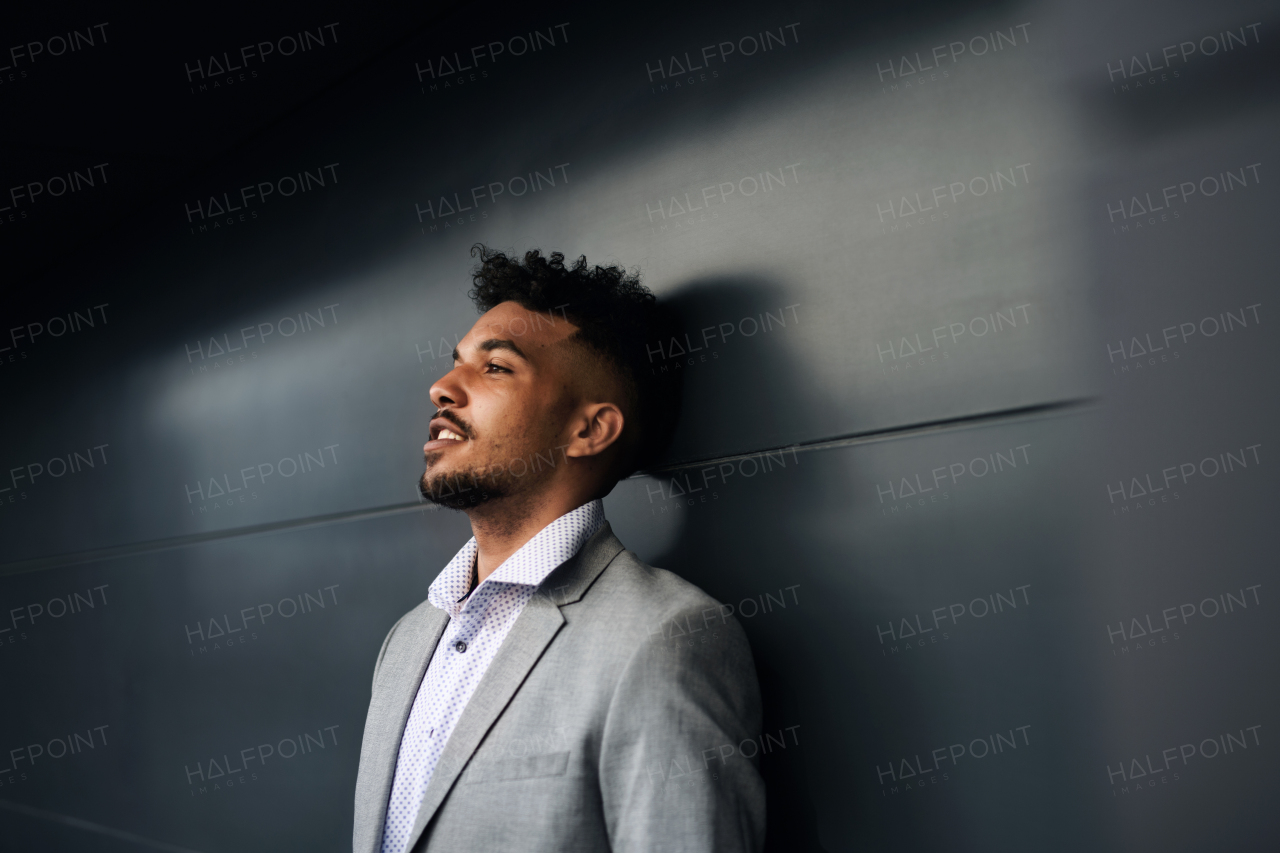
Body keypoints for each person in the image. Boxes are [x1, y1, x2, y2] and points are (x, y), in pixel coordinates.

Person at [353, 246, 764, 853]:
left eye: (495, 368)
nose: (442, 388)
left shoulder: (667, 638)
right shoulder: (408, 639)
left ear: (589, 430)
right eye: (456, 363)